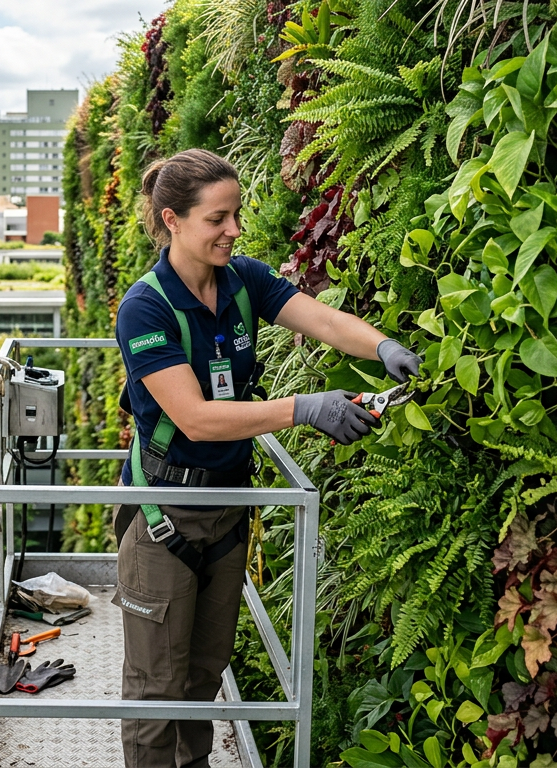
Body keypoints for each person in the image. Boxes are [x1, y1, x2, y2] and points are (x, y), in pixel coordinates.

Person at [112, 148, 420, 767]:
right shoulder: (146, 307)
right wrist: (303, 408)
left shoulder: (242, 280)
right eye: (217, 219)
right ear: (172, 220)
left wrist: (384, 346)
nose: (234, 229)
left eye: (236, 215)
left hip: (229, 510)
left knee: (204, 677)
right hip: (165, 513)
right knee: (156, 691)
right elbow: (195, 418)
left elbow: (323, 321)